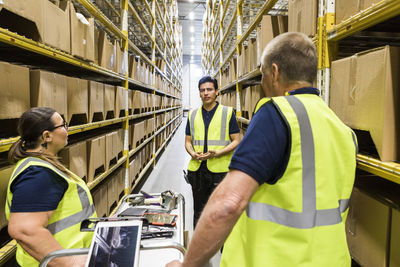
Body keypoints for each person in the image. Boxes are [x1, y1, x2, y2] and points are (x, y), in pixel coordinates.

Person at [168, 32, 358, 267]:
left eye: (263, 74)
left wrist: (188, 264)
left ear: (275, 72)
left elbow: (229, 202)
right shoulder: (343, 130)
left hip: (276, 259)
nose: (262, 82)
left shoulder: (276, 113)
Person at [6, 107, 97, 267]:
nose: (67, 129)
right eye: (63, 125)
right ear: (46, 136)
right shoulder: (38, 173)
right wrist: (70, 262)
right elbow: (24, 230)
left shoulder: (43, 166)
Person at [185, 76, 240, 227]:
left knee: (221, 211)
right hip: (198, 171)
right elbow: (188, 142)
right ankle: (201, 245)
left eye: (209, 89)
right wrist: (192, 153)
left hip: (221, 170)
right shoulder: (192, 114)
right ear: (199, 93)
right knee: (199, 211)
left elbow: (236, 140)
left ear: (217, 92)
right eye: (202, 90)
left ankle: (223, 247)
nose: (206, 93)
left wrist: (219, 153)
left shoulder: (227, 113)